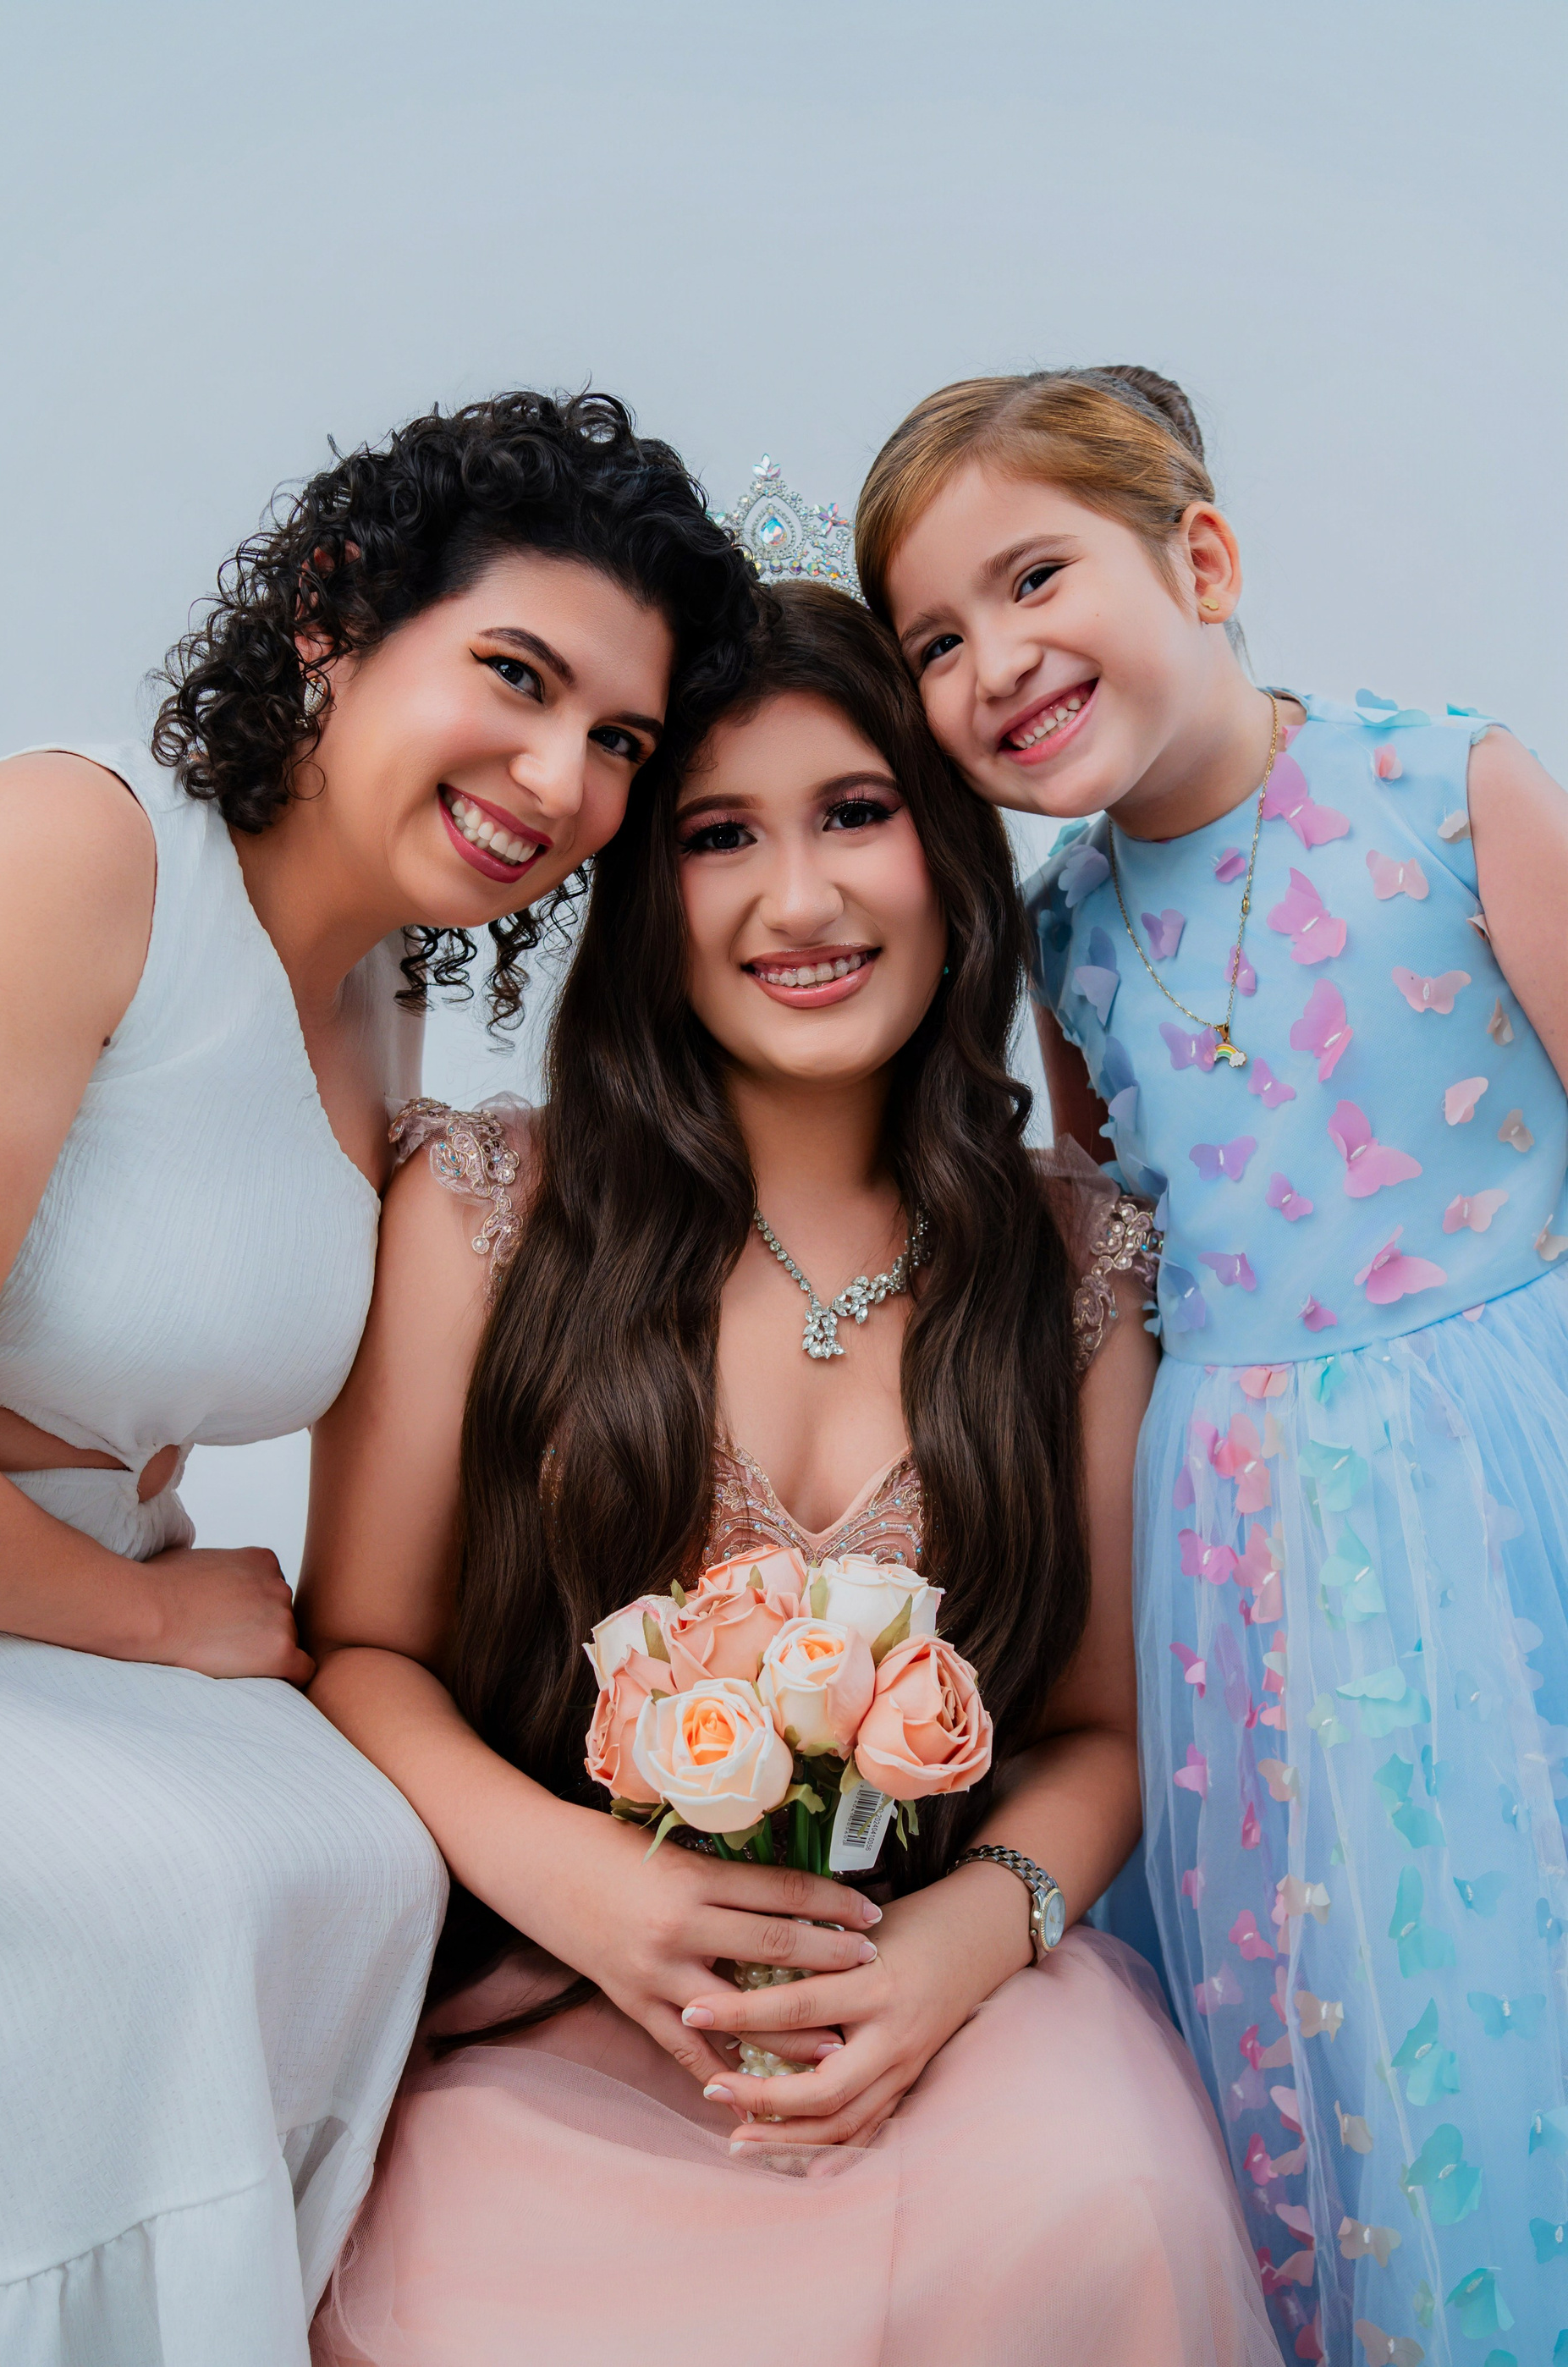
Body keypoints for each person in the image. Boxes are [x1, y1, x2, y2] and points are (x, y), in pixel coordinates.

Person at [302, 577, 1279, 2366]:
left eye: (855, 812)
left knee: (1103, 2200)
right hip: (563, 2003)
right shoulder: (481, 1211)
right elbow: (360, 1649)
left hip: (945, 2010)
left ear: (950, 851)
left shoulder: (1077, 1267)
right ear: (639, 886)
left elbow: (1102, 1730)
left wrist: (960, 1948)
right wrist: (581, 1883)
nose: (802, 897)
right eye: (719, 834)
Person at [0, 389, 753, 2366]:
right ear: (331, 611)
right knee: (174, 1895)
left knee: (375, 1864)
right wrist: (153, 1615)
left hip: (75, 1611)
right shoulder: (76, 850)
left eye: (622, 742)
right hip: (19, 1606)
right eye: (517, 675)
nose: (559, 777)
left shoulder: (374, 1001)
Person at [856, 365, 1568, 2364]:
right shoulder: (1068, 939)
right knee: (1366, 2013)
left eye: (1033, 578)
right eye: (934, 640)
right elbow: (1135, 1266)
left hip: (1508, 1469)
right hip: (1258, 1557)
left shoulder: (1452, 787)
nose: (996, 659)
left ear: (1205, 559)